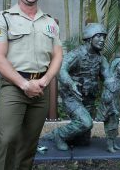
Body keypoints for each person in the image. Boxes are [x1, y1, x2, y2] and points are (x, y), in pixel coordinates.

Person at [0, 0, 63, 169]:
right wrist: (23, 84)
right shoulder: (2, 19)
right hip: (14, 87)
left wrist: (44, 81)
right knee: (8, 139)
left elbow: (57, 55)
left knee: (29, 143)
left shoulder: (49, 23)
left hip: (40, 87)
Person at [44, 23, 109, 151]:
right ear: (89, 38)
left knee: (83, 141)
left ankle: (53, 135)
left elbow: (109, 77)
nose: (102, 40)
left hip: (88, 98)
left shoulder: (100, 59)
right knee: (86, 123)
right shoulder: (76, 54)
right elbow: (61, 70)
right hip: (72, 97)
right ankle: (59, 135)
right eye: (99, 36)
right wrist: (71, 83)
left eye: (104, 37)